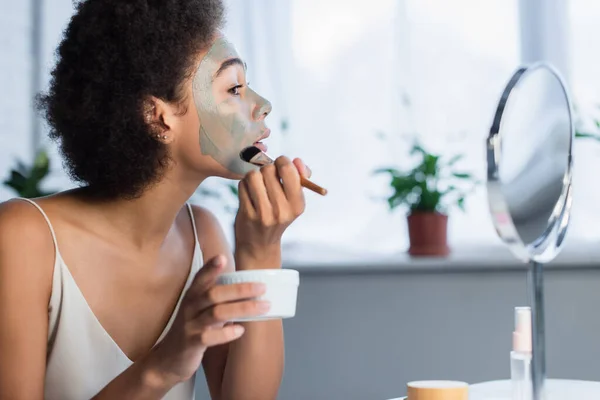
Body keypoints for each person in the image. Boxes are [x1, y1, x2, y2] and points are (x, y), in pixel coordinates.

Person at [0, 0, 309, 399]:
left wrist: (261, 254)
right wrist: (163, 365)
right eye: (234, 88)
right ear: (157, 117)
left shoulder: (205, 236)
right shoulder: (22, 239)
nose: (262, 105)